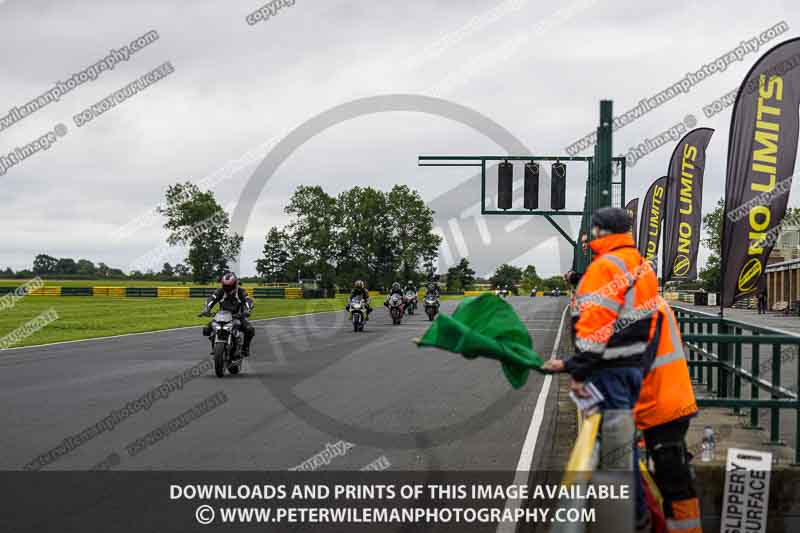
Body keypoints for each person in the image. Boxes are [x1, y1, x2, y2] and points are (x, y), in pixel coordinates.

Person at [542, 207, 659, 531]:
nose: (590, 237)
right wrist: (570, 363)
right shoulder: (640, 265)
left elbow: (595, 329)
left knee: (614, 456)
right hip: (632, 368)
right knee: (621, 449)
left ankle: (629, 520)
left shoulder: (605, 266)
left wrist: (578, 372)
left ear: (601, 232)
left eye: (593, 231)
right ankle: (634, 518)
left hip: (608, 373)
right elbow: (642, 322)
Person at [635, 298, 702, 533]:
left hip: (662, 406)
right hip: (667, 402)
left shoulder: (641, 308)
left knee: (673, 480)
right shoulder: (652, 302)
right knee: (672, 476)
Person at [199, 272, 255, 358]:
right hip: (221, 316)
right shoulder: (220, 291)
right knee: (206, 329)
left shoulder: (241, 292)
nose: (227, 288)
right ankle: (214, 346)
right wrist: (206, 309)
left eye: (229, 286)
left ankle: (245, 348)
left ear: (235, 284)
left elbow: (249, 300)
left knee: (250, 329)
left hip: (238, 316)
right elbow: (211, 299)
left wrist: (248, 310)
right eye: (225, 286)